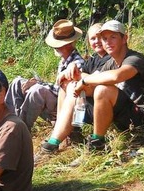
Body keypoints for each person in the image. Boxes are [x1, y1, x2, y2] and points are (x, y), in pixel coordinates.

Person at [70, 20, 144, 151]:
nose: (107, 42)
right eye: (104, 38)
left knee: (103, 90)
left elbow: (117, 76)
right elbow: (94, 83)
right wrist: (76, 81)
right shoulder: (111, 63)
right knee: (76, 90)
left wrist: (84, 81)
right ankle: (69, 134)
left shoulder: (135, 59)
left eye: (113, 37)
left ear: (124, 38)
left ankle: (97, 144)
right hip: (128, 117)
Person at [35, 22, 112, 157]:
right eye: (93, 39)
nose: (97, 42)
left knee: (64, 86)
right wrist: (72, 71)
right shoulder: (93, 60)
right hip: (88, 104)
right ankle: (61, 136)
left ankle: (54, 138)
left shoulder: (110, 59)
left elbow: (95, 80)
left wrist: (75, 72)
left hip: (105, 106)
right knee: (67, 84)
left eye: (101, 37)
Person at [5, 19, 84, 131]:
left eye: (57, 46)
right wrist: (38, 82)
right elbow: (57, 86)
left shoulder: (77, 64)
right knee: (17, 82)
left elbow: (66, 91)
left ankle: (20, 129)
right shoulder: (64, 60)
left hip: (64, 105)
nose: (55, 48)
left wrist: (39, 85)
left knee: (37, 91)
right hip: (56, 98)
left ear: (66, 45)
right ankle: (10, 120)